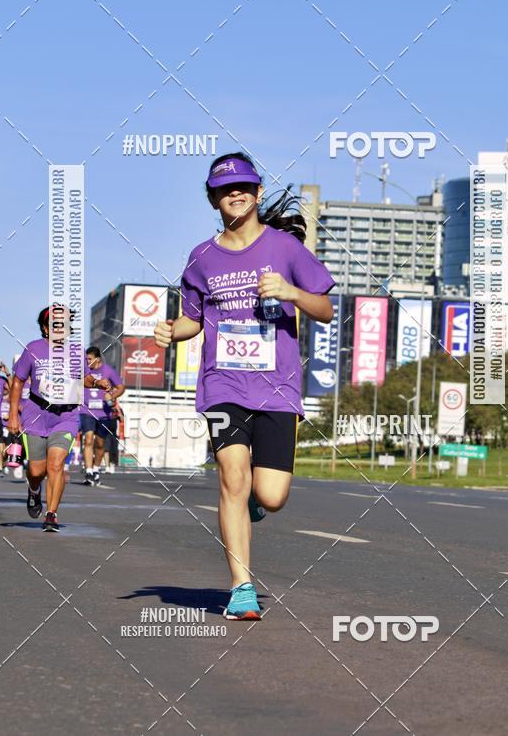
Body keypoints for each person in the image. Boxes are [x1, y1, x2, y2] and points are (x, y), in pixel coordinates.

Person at [154, 152, 334, 620]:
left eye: (243, 187)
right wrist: (172, 331)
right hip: (223, 386)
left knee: (271, 496)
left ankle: (256, 498)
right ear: (213, 199)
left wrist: (292, 292)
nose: (234, 194)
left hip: (277, 387)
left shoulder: (285, 248)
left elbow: (325, 310)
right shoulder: (201, 257)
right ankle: (241, 587)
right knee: (232, 476)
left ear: (257, 193)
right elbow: (193, 320)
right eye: (224, 189)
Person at [7, 306, 105, 531]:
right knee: (36, 471)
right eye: (55, 324)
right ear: (45, 328)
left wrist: (97, 382)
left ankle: (51, 514)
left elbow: (84, 378)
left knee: (56, 464)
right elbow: (18, 382)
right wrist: (13, 415)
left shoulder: (76, 351)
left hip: (66, 416)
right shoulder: (33, 349)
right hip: (35, 415)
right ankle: (34, 490)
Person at [79, 346, 124, 485]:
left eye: (89, 359)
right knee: (88, 440)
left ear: (97, 359)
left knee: (100, 444)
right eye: (86, 359)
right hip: (86, 411)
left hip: (104, 413)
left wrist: (112, 395)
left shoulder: (108, 370)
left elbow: (121, 387)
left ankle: (96, 469)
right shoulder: (84, 372)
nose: (87, 361)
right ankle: (88, 472)